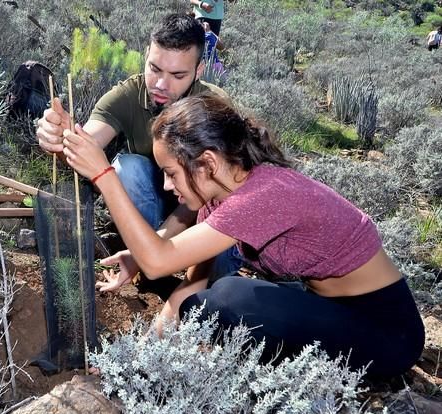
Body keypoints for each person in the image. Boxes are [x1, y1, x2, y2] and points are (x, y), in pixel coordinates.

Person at [60, 94, 425, 378]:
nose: (168, 186)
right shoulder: (220, 198)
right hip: (330, 313)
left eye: (171, 173)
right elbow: (189, 290)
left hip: (388, 332)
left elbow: (158, 263)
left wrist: (104, 175)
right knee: (211, 302)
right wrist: (137, 358)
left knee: (232, 297)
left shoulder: (266, 194)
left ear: (208, 163)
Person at [37, 13, 241, 289]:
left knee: (217, 277)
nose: (160, 85)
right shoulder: (129, 93)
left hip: (206, 217)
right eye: (154, 68)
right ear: (146, 55)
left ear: (199, 70)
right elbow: (89, 143)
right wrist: (62, 137)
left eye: (177, 75)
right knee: (128, 168)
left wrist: (155, 249)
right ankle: (150, 259)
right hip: (158, 211)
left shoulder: (215, 109)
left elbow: (200, 203)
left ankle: (164, 264)